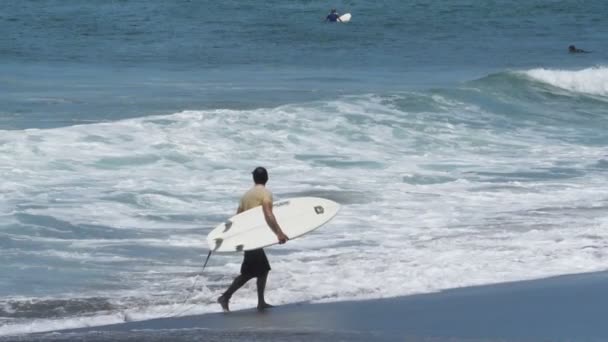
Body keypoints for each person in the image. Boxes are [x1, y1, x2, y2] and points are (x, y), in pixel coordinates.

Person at [217, 167, 289, 312]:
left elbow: (237, 218)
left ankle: (260, 302)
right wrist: (279, 233)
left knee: (262, 270)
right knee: (250, 273)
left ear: (254, 179)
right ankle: (225, 297)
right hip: (253, 240)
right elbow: (268, 213)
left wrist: (237, 238)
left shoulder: (246, 196)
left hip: (249, 238)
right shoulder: (265, 193)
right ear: (267, 178)